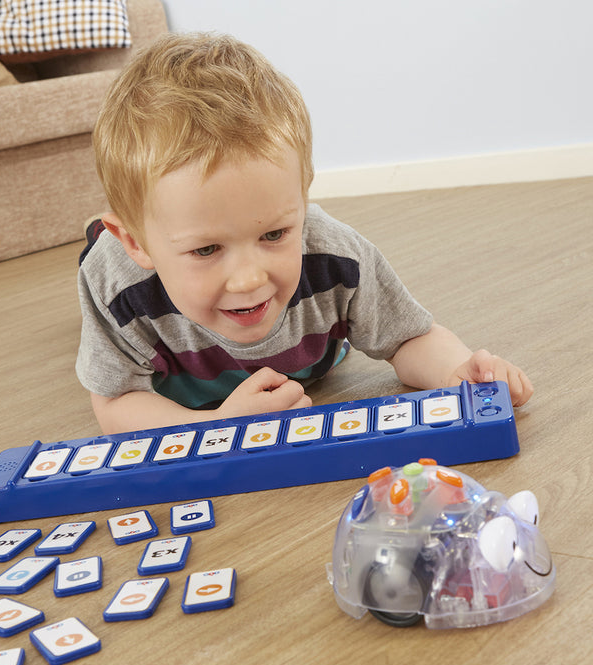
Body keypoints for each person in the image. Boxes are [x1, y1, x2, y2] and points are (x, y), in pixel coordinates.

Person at [76, 32, 532, 434]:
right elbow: (116, 400)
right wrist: (215, 427)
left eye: (274, 234)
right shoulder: (117, 286)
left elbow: (408, 337)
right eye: (207, 248)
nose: (250, 279)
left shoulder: (337, 257)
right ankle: (102, 232)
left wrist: (456, 374)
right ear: (135, 243)